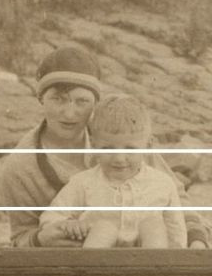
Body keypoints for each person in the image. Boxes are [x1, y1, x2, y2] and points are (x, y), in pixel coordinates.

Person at [0, 44, 212, 248]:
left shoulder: (121, 135)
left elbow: (174, 197)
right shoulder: (20, 167)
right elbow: (20, 239)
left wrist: (196, 241)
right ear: (41, 99)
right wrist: (42, 238)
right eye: (58, 99)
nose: (69, 113)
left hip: (151, 248)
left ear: (95, 103)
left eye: (81, 101)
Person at [40, 95, 185, 248]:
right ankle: (91, 268)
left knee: (153, 225)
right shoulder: (83, 182)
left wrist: (179, 256)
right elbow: (50, 218)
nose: (119, 158)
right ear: (94, 145)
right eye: (107, 149)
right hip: (101, 255)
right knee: (104, 228)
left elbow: (177, 229)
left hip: (148, 257)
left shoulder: (162, 183)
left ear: (148, 146)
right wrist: (68, 224)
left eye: (130, 149)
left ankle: (155, 270)